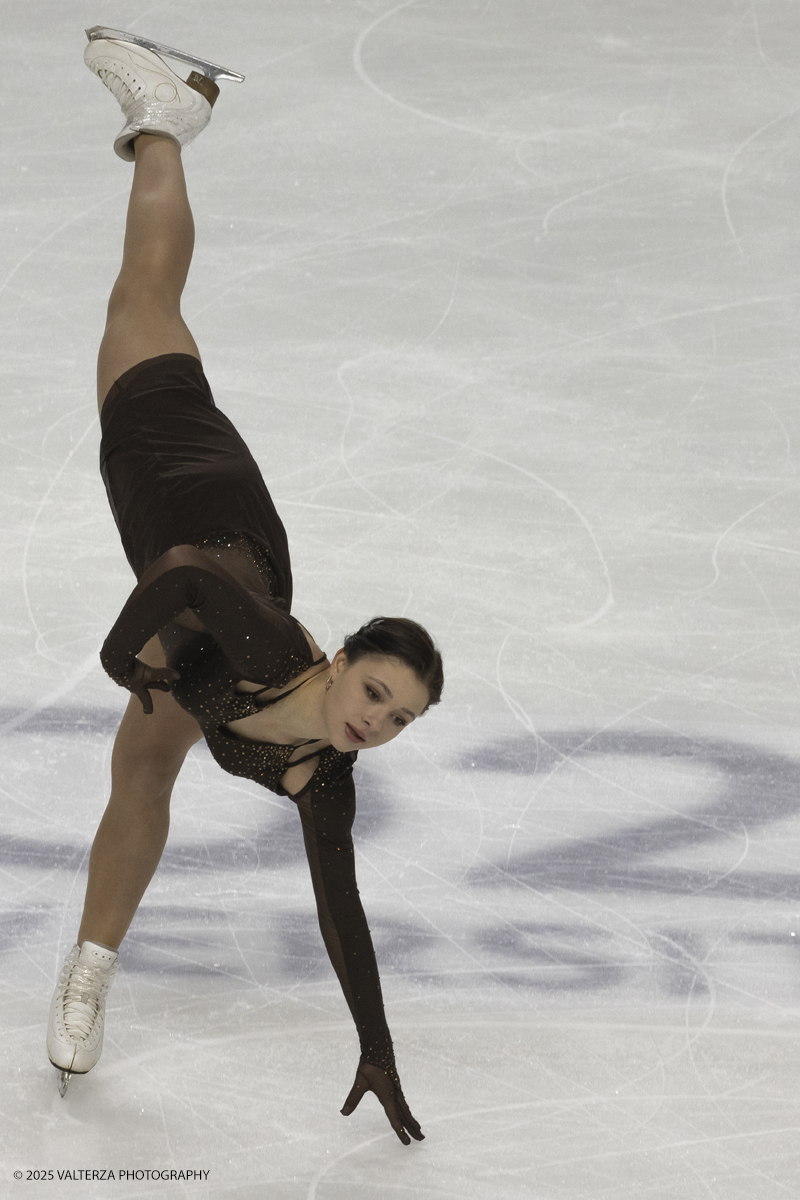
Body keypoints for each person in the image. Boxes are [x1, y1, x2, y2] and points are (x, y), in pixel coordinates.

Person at [46, 29, 442, 1147]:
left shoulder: (322, 777)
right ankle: (164, 120)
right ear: (341, 662)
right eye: (376, 692)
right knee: (144, 295)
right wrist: (126, 659)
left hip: (196, 606)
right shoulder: (272, 652)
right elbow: (173, 573)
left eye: (397, 719)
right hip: (182, 476)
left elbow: (342, 913)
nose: (378, 722)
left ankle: (88, 965)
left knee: (145, 766)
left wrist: (375, 1044)